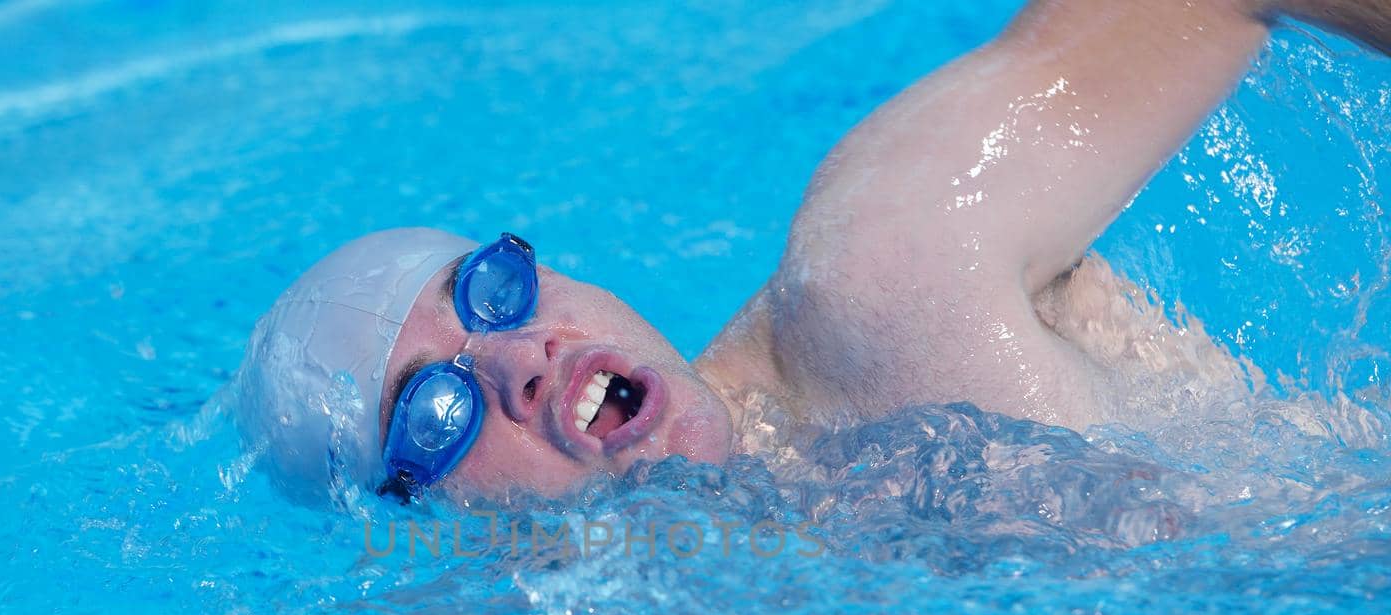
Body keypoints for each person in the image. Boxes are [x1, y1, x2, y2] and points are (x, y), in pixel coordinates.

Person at [237, 0, 1391, 505]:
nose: (515, 363)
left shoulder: (885, 277)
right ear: (420, 528)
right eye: (432, 415)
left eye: (492, 294)